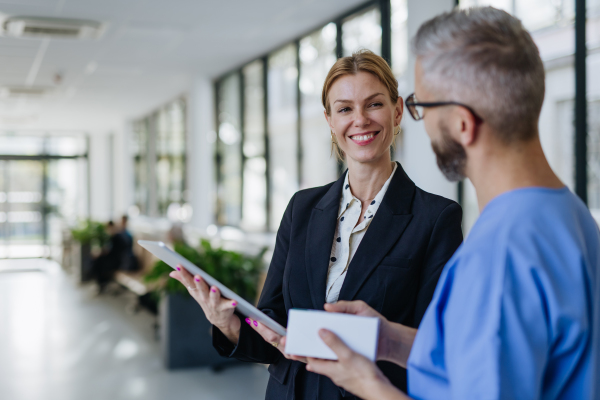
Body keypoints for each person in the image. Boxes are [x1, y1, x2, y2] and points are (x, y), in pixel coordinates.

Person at [302, 7, 600, 400]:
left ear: (462, 122)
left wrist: (368, 384)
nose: (419, 121)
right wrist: (390, 341)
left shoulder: (498, 256)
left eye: (420, 107)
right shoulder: (570, 215)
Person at [170, 50, 463, 399]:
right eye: (344, 109)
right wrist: (227, 323)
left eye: (373, 105)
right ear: (329, 119)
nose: (360, 120)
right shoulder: (303, 208)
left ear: (397, 110)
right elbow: (273, 325)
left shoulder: (436, 218)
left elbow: (432, 344)